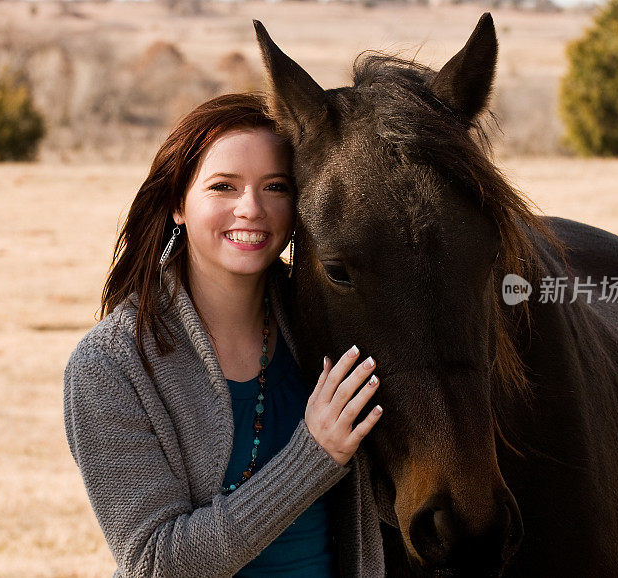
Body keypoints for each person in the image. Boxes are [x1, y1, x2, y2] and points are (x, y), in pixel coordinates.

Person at [63, 92, 387, 577]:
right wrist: (313, 456)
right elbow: (156, 563)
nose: (251, 208)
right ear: (178, 203)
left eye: (275, 186)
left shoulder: (325, 324)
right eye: (223, 187)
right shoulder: (110, 365)